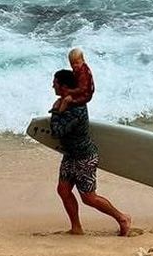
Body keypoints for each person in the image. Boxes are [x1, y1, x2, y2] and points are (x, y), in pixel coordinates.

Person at [50, 69, 131, 236]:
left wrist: (57, 111)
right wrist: (59, 108)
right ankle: (76, 228)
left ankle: (122, 218)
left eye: (55, 83)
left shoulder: (76, 108)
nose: (52, 86)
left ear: (63, 86)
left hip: (84, 158)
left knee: (89, 198)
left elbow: (58, 131)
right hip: (71, 156)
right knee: (63, 190)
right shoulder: (68, 103)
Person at [55, 47, 95, 113]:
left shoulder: (83, 74)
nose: (74, 65)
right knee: (63, 97)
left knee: (66, 100)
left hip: (85, 95)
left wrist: (69, 91)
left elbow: (82, 89)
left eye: (77, 63)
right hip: (82, 93)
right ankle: (58, 107)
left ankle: (60, 114)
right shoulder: (79, 69)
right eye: (72, 64)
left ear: (83, 60)